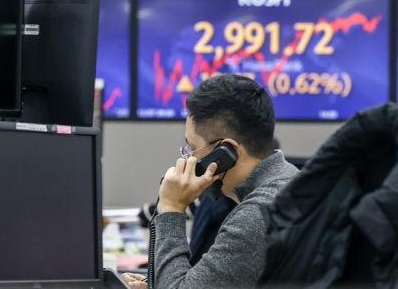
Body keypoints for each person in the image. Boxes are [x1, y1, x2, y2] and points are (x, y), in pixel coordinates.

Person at [123, 74, 298, 289]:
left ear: (227, 152)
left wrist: (171, 209)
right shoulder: (289, 181)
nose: (189, 159)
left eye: (192, 149)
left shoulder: (257, 215)